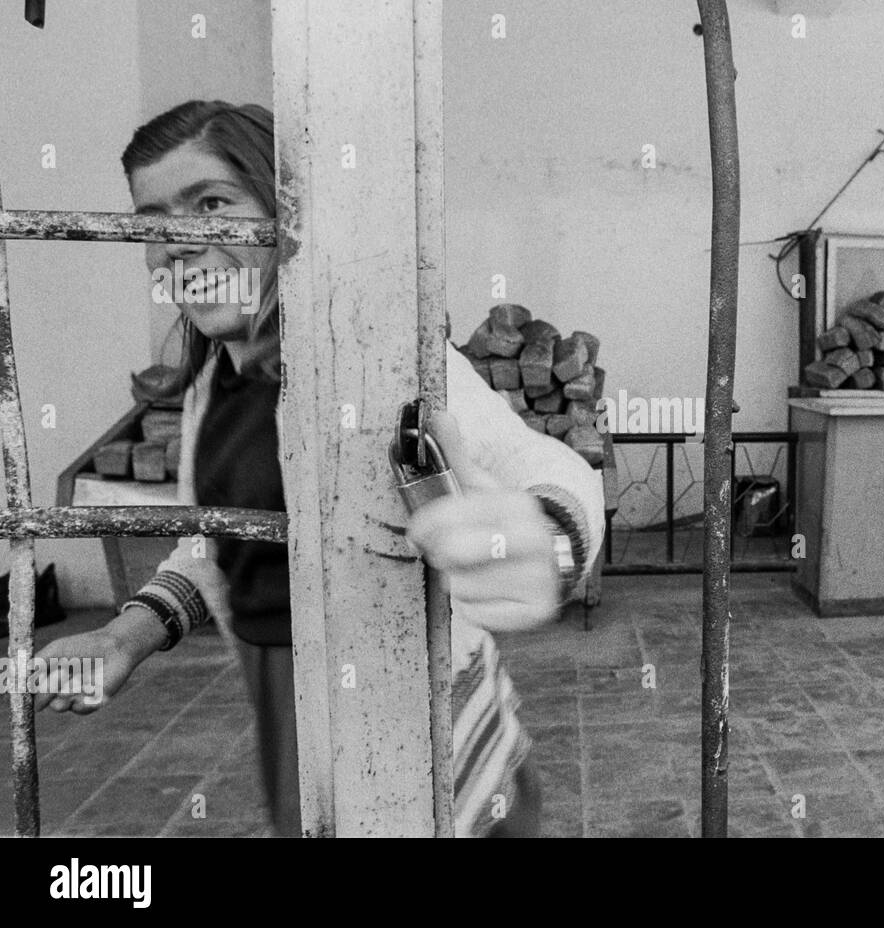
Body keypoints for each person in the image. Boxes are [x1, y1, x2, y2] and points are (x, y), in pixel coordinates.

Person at [32, 100, 604, 838]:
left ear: (280, 214)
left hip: (431, 726)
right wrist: (124, 637)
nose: (177, 241)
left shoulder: (369, 353)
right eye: (153, 220)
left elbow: (542, 460)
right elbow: (222, 544)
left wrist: (551, 536)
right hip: (289, 710)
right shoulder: (216, 386)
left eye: (211, 203)